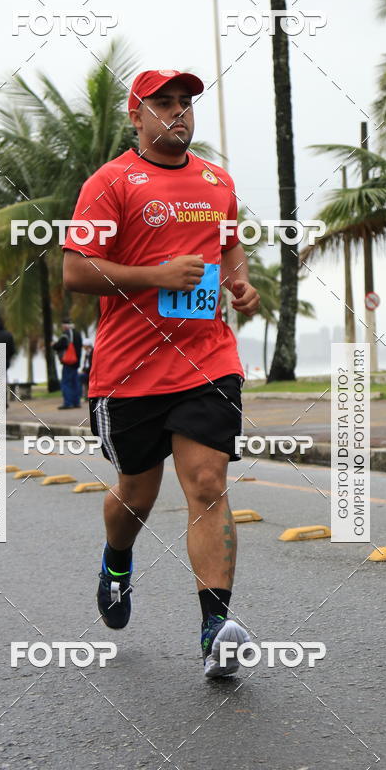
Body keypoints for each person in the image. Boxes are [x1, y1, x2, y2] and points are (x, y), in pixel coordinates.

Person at [63, 69, 260, 679]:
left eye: (185, 103)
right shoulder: (110, 183)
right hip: (129, 372)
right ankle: (117, 559)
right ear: (136, 114)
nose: (178, 113)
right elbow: (76, 271)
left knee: (206, 482)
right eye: (163, 104)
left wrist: (240, 282)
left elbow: (228, 244)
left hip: (207, 359)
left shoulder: (216, 181)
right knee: (137, 494)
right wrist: (155, 277)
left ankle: (214, 630)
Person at [52, 317, 82, 409]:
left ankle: (68, 403)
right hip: (76, 362)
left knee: (66, 382)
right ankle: (76, 402)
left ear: (65, 325)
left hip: (68, 362)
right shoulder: (77, 334)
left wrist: (54, 345)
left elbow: (59, 345)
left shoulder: (66, 334)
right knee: (75, 382)